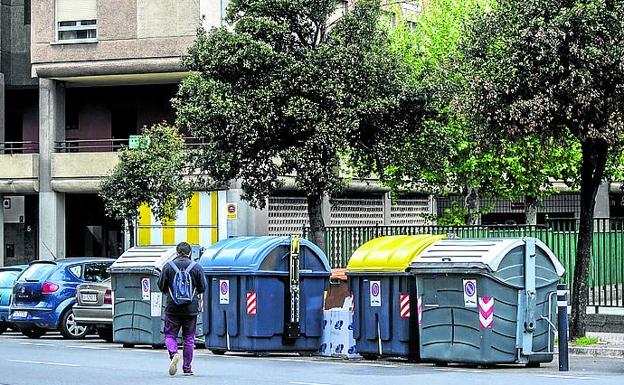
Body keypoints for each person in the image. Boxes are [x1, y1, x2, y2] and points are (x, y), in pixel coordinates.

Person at [157, 242, 207, 376]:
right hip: (191, 309)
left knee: (169, 335)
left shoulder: (168, 266)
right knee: (189, 338)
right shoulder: (196, 267)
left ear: (177, 252)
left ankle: (174, 353)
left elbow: (161, 286)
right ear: (190, 253)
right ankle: (187, 367)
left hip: (172, 308)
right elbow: (203, 287)